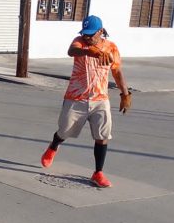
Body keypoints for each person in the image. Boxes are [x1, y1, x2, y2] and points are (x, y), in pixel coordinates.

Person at [40, 15, 132, 188]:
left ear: (100, 31)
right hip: (76, 98)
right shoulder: (80, 43)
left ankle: (98, 173)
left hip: (100, 99)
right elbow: (71, 51)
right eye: (85, 34)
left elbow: (117, 72)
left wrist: (125, 94)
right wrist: (89, 51)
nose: (87, 37)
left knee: (103, 136)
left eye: (90, 34)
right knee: (64, 131)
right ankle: (53, 146)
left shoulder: (111, 48)